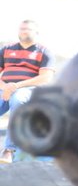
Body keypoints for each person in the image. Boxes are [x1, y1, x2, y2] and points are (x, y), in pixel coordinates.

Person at [0, 20, 56, 163]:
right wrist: (5, 87)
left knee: (18, 99)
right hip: (4, 88)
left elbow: (45, 78)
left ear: (36, 32)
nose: (24, 31)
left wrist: (16, 86)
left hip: (29, 90)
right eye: (22, 29)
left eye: (28, 29)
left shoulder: (44, 51)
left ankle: (9, 150)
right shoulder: (6, 49)